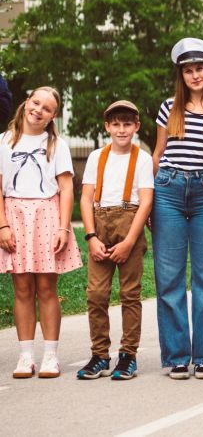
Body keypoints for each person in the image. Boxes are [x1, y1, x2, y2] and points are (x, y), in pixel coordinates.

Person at [151, 38, 203, 380]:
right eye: (188, 70)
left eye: (200, 69)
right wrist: (149, 201)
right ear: (181, 76)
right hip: (168, 191)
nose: (195, 75)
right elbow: (158, 154)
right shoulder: (169, 107)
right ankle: (177, 356)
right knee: (169, 277)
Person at [0, 87, 81, 379]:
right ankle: (25, 357)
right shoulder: (4, 141)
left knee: (47, 288)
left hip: (47, 214)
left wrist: (63, 226)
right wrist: (2, 225)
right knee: (22, 288)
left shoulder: (57, 145)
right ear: (26, 103)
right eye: (36, 103)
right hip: (14, 215)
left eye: (46, 108)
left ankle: (50, 355)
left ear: (52, 116)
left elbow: (67, 188)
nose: (38, 110)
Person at [76, 100, 154, 381]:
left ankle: (128, 355)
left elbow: (146, 202)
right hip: (100, 226)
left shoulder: (142, 158)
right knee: (96, 295)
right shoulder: (97, 157)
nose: (122, 130)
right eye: (116, 124)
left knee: (130, 294)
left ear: (136, 127)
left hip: (129, 224)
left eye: (127, 124)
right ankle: (99, 355)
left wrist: (129, 242)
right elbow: (86, 198)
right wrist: (91, 237)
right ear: (107, 126)